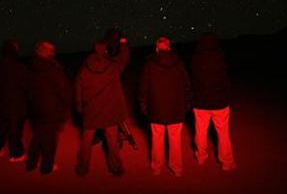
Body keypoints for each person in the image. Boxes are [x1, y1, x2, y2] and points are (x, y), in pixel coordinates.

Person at [75, 38, 130, 177]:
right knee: (112, 141)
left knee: (86, 141)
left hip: (91, 111)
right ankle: (116, 168)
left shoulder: (84, 69)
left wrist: (80, 108)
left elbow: (78, 91)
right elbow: (123, 60)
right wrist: (123, 45)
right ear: (105, 50)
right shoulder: (112, 68)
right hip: (109, 110)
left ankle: (82, 169)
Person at [139, 37, 191, 177]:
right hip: (175, 109)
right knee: (175, 140)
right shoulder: (179, 62)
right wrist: (186, 103)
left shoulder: (150, 63)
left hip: (156, 108)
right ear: (169, 47)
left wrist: (143, 104)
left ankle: (157, 167)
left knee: (157, 139)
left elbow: (143, 86)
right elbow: (187, 85)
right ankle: (177, 168)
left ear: (157, 48)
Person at [191, 33, 237, 171]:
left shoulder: (195, 58)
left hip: (200, 103)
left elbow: (193, 80)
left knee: (200, 131)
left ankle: (201, 157)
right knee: (223, 133)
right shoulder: (221, 57)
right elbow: (226, 79)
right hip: (219, 103)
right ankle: (227, 162)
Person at [26, 41, 70, 175]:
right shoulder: (53, 68)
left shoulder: (31, 66)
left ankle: (31, 163)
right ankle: (47, 167)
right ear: (48, 52)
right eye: (52, 50)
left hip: (35, 107)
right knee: (50, 140)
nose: (54, 52)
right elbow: (62, 90)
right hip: (50, 108)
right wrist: (65, 108)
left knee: (38, 135)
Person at [0, 39, 28, 162]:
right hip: (16, 104)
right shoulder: (19, 66)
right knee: (15, 130)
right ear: (14, 50)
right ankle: (15, 154)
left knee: (0, 127)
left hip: (0, 103)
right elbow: (25, 86)